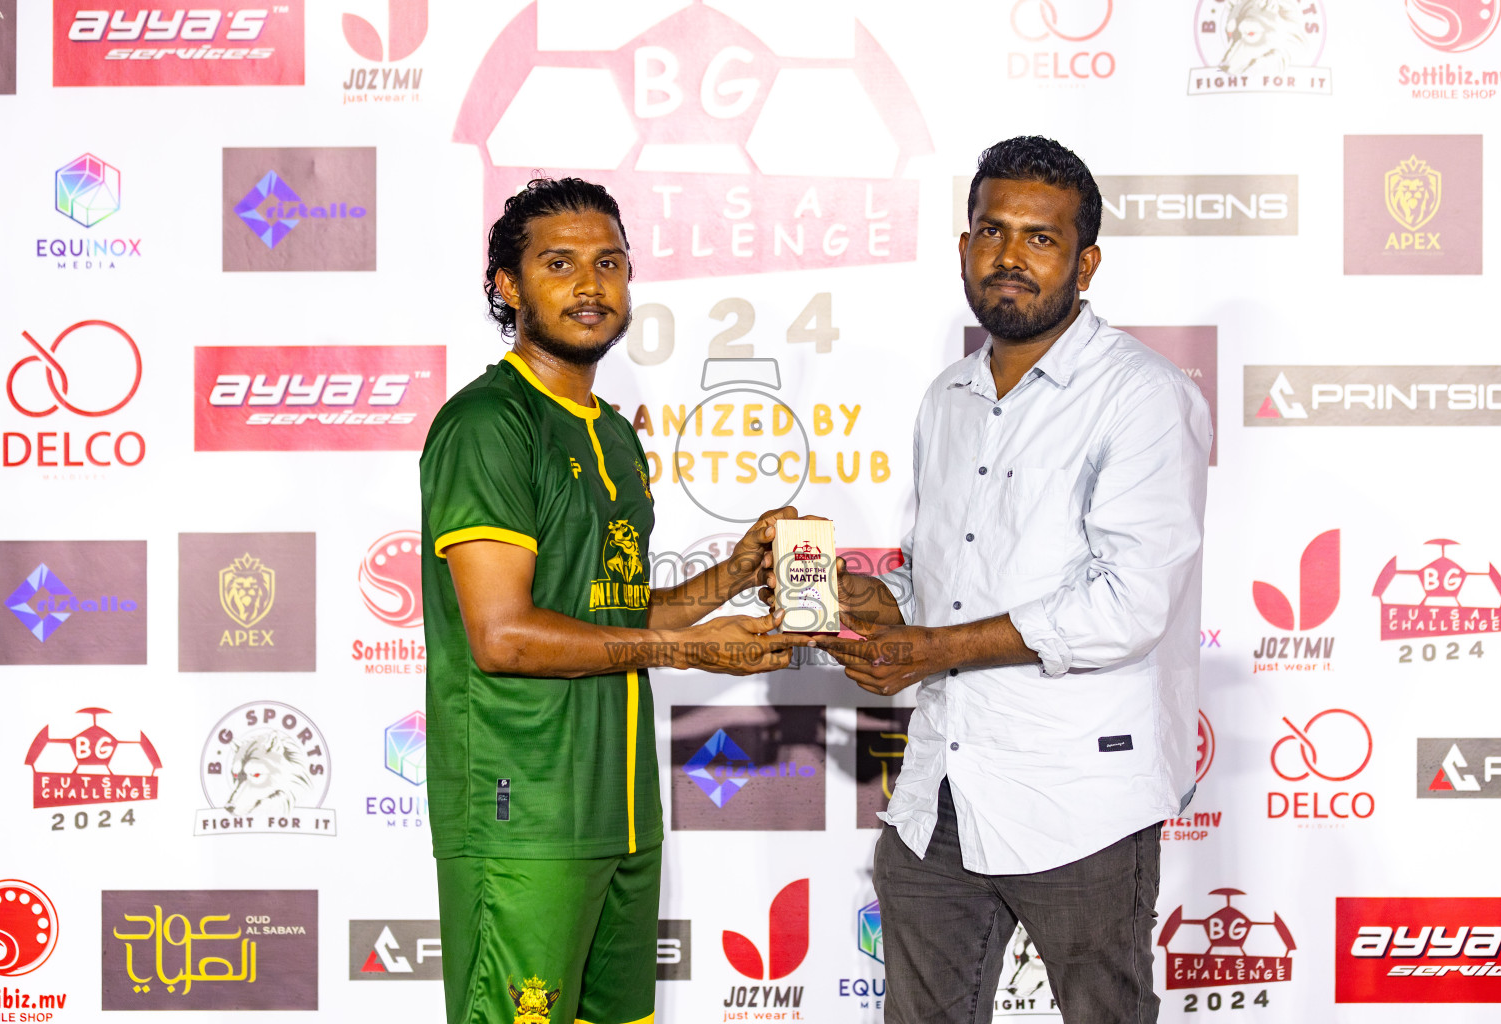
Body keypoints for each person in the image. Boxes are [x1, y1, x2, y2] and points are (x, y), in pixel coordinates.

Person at [812, 137, 1211, 1023]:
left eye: (1041, 239)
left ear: (1086, 261)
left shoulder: (1141, 395)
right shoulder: (945, 398)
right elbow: (938, 582)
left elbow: (1129, 602)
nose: (1010, 257)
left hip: (1079, 797)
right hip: (940, 792)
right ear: (964, 247)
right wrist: (883, 609)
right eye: (992, 232)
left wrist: (934, 646)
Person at [419, 176, 797, 1024]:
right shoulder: (489, 423)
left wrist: (734, 574)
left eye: (609, 263)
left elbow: (617, 613)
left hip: (623, 816)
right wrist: (691, 651)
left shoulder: (613, 433)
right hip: (528, 817)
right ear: (506, 287)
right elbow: (503, 636)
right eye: (559, 264)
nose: (590, 286)